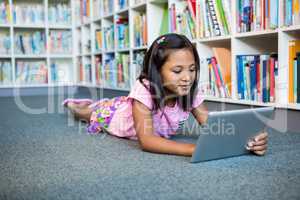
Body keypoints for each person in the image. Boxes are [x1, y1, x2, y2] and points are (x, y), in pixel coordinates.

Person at [63, 33, 268, 157]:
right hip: (116, 116)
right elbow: (148, 141)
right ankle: (74, 106)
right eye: (178, 71)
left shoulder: (189, 90)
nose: (187, 77)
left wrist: (246, 140)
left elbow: (211, 125)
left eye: (192, 69)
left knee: (103, 106)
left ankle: (92, 105)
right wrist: (192, 149)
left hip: (126, 105)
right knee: (88, 114)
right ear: (157, 71)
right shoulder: (145, 88)